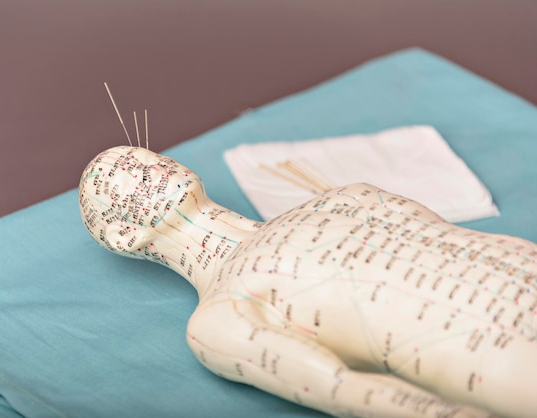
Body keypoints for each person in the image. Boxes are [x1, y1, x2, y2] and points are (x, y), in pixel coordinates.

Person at [79, 145, 537, 418]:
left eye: (147, 156)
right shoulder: (219, 321)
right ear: (123, 234)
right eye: (130, 172)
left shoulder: (343, 197)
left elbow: (451, 234)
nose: (151, 164)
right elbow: (352, 391)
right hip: (506, 357)